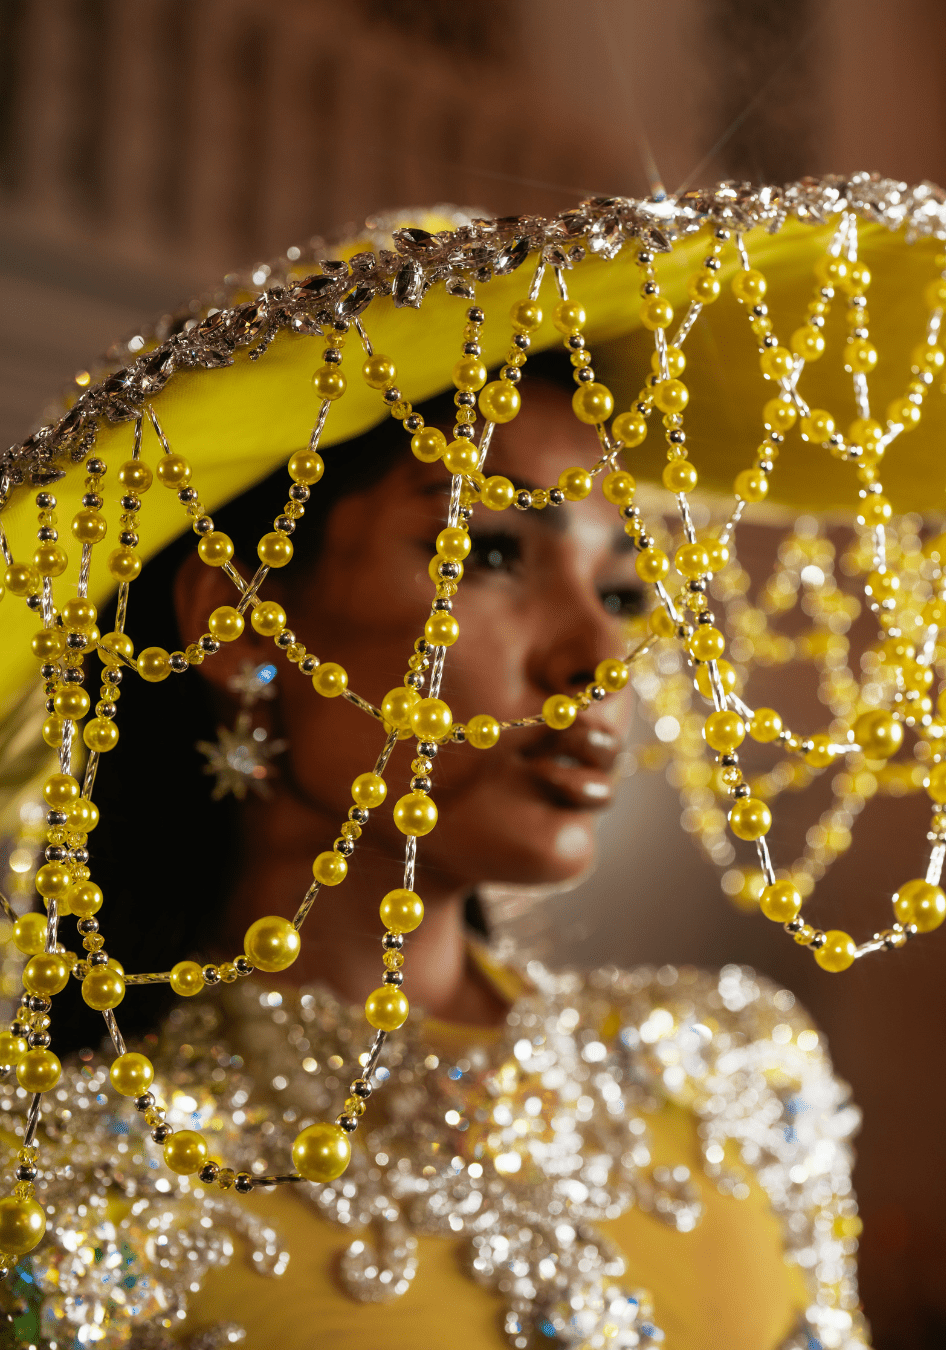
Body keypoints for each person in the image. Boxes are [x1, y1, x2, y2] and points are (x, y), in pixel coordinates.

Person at [3, 354, 867, 1350]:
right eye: (489, 551)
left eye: (625, 594)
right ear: (241, 624)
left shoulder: (736, 1076)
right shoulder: (67, 1192)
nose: (597, 654)